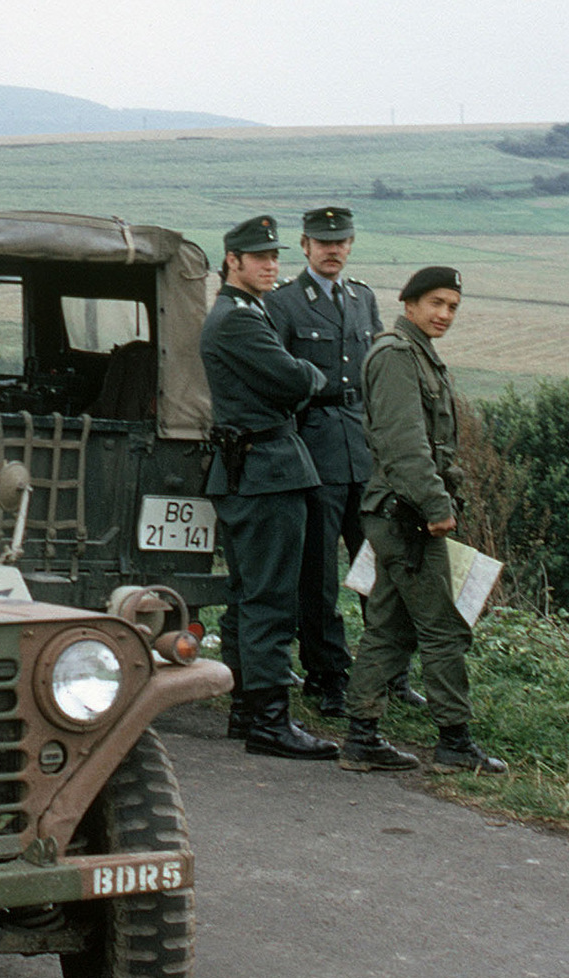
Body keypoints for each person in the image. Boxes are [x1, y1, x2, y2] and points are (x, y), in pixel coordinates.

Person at [342, 267, 506, 775]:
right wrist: (437, 508)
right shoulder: (396, 356)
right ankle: (455, 742)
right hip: (408, 516)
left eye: (453, 306)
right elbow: (406, 445)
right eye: (436, 303)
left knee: (389, 628)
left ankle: (361, 736)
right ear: (409, 303)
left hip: (398, 513)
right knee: (444, 629)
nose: (445, 315)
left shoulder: (416, 355)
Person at [264, 206, 414, 717]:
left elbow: (374, 381)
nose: (333, 250)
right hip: (314, 450)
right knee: (319, 575)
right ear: (305, 245)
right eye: (323, 242)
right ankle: (327, 675)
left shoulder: (362, 298)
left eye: (342, 241)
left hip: (363, 451)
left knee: (378, 566)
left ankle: (389, 670)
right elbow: (279, 385)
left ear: (351, 245)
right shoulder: (284, 303)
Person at [202, 215, 338, 760]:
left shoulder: (248, 312)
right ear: (232, 261)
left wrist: (298, 376)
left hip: (257, 467)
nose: (271, 265)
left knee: (249, 594)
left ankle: (245, 710)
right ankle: (268, 721)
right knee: (270, 598)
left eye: (275, 256)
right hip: (265, 469)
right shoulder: (237, 320)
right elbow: (293, 379)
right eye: (259, 257)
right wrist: (310, 376)